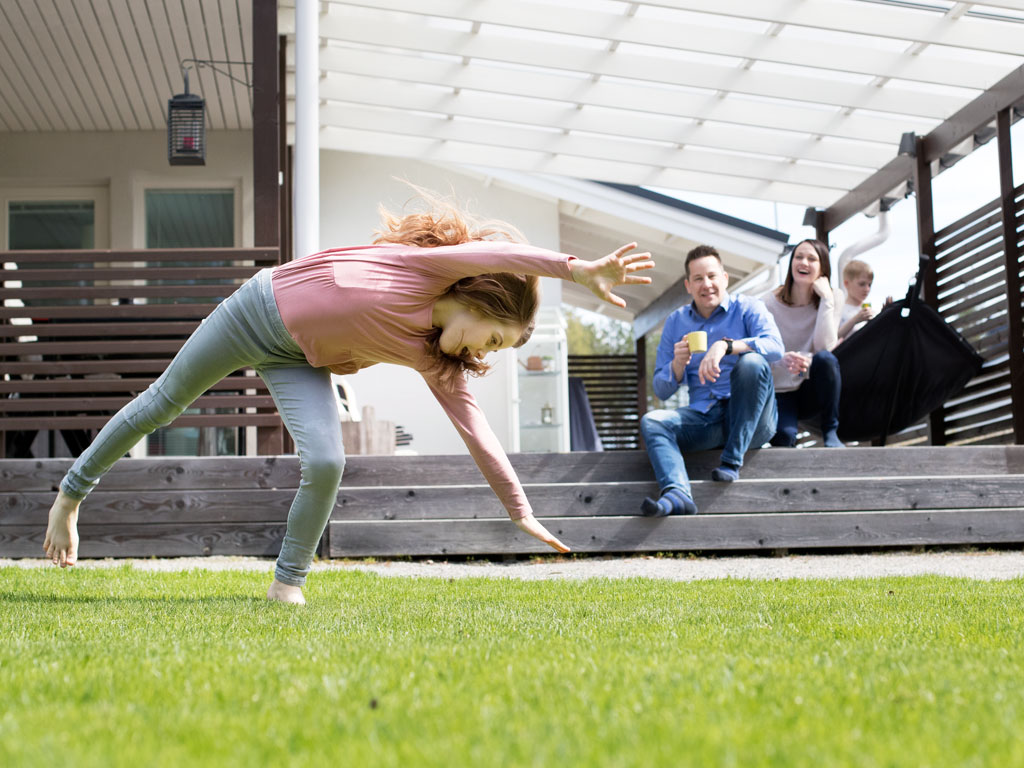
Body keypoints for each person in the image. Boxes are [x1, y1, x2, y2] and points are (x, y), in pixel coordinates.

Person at [43, 188, 655, 604]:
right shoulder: (431, 267)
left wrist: (519, 509)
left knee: (328, 462)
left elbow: (480, 435)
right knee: (164, 404)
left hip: (298, 359)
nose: (483, 353)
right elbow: (501, 253)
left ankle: (287, 584)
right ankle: (71, 497)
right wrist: (577, 270)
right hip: (253, 311)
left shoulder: (436, 359)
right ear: (479, 299)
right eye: (492, 335)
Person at [639, 245, 783, 517]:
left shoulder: (748, 308)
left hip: (754, 422)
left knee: (751, 362)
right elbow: (661, 389)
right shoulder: (676, 322)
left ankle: (731, 461)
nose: (707, 284)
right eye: (698, 279)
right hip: (707, 420)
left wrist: (727, 346)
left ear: (725, 278)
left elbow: (776, 347)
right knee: (652, 421)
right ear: (688, 285)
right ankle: (677, 493)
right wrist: (677, 364)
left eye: (712, 276)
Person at [763, 239, 843, 448]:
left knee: (827, 360)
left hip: (812, 387)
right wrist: (783, 360)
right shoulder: (768, 303)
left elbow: (824, 347)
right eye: (798, 257)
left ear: (823, 268)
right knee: (784, 437)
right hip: (781, 390)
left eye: (811, 259)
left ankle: (830, 431)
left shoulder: (834, 297)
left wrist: (826, 299)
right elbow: (762, 351)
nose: (803, 263)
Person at [836, 259, 876, 341]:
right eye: (862, 284)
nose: (867, 289)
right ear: (847, 284)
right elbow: (833, 337)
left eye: (869, 284)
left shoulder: (870, 309)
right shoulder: (839, 309)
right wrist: (855, 320)